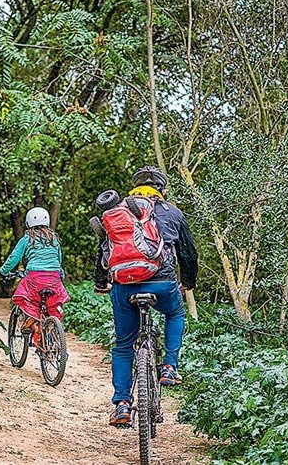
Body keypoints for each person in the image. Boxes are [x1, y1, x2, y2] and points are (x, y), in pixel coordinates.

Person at [94, 166, 198, 426]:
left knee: (123, 345)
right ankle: (170, 367)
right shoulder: (173, 212)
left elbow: (105, 251)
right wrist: (188, 282)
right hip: (162, 283)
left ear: (134, 187)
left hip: (124, 286)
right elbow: (188, 253)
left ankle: (121, 404)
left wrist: (101, 282)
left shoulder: (118, 211)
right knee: (175, 313)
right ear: (162, 189)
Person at [0, 207, 70, 344]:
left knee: (28, 299)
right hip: (53, 278)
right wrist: (60, 274)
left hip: (34, 278)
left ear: (28, 222)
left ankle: (30, 322)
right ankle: (51, 329)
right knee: (53, 303)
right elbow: (58, 259)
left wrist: (3, 271)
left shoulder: (27, 239)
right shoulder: (54, 239)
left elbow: (14, 258)